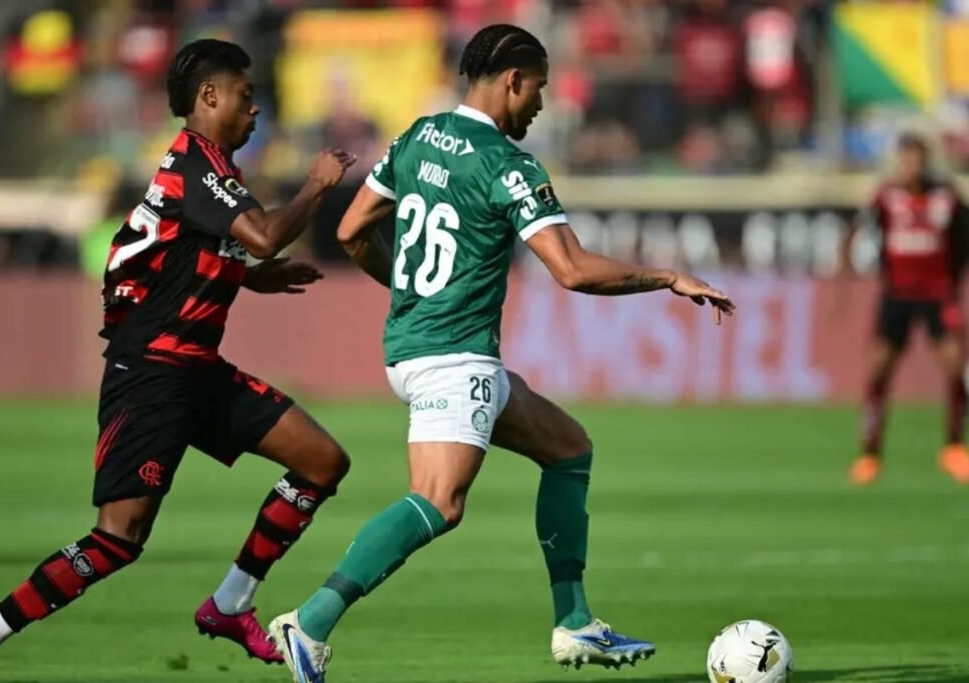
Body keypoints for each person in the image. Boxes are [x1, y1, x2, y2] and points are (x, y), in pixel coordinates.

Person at [265, 24, 735, 683]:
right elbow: (569, 268)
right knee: (438, 501)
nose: (540, 104)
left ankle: (575, 623)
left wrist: (411, 289)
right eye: (538, 88)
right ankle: (309, 622)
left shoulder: (418, 136)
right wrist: (666, 277)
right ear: (513, 78)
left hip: (415, 344)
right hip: (455, 357)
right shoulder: (509, 166)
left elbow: (350, 229)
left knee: (569, 448)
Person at [0, 39, 357, 683]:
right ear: (209, 96)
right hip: (154, 372)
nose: (256, 112)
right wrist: (316, 186)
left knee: (322, 461)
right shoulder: (198, 164)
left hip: (194, 367)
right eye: (246, 98)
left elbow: (163, 257)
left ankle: (230, 605)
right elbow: (265, 232)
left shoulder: (207, 169)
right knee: (117, 540)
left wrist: (250, 279)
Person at [843, 133, 969, 486]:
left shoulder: (946, 198)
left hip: (938, 294)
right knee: (879, 370)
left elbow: (964, 238)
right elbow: (855, 229)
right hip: (897, 295)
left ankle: (954, 448)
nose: (911, 165)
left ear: (926, 161)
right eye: (906, 158)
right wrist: (846, 274)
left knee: (955, 365)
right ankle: (869, 453)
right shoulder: (887, 197)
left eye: (916, 158)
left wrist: (955, 279)